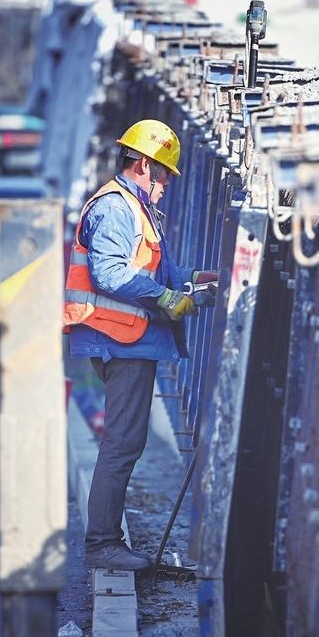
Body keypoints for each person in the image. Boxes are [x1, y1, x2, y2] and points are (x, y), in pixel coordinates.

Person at [64, 119, 217, 571]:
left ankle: (106, 542)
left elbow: (155, 274)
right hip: (119, 339)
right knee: (123, 442)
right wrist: (166, 298)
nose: (167, 184)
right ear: (145, 165)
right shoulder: (116, 208)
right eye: (165, 173)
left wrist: (193, 281)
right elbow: (110, 274)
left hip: (126, 338)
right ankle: (103, 546)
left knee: (125, 440)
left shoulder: (134, 208)